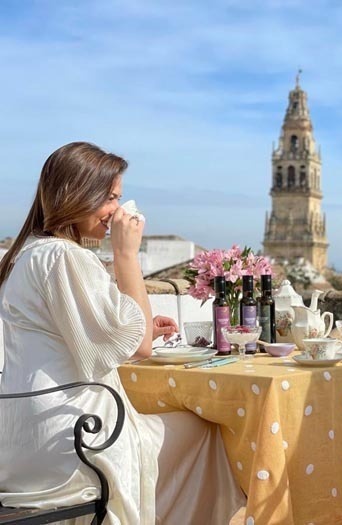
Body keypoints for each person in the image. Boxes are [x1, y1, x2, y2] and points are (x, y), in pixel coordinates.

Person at [0, 142, 245, 524]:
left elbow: (74, 335)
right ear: (78, 193)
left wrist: (138, 328)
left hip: (22, 442)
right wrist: (126, 255)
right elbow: (141, 348)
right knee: (207, 431)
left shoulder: (26, 254)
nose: (117, 210)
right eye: (111, 198)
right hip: (76, 441)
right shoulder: (67, 257)